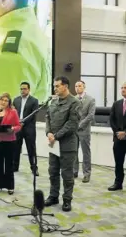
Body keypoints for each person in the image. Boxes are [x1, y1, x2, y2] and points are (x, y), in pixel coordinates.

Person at [44, 76, 81, 212]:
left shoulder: (74, 102)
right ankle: (53, 196)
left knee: (67, 174)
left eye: (57, 86)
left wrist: (56, 136)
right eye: (54, 86)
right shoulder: (53, 101)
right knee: (52, 171)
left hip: (67, 144)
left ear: (65, 86)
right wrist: (48, 132)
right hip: (53, 144)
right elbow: (47, 117)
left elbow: (72, 124)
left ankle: (67, 200)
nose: (55, 88)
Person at [13, 81, 39, 176]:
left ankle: (34, 168)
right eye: (21, 89)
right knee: (16, 148)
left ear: (29, 89)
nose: (22, 91)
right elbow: (13, 113)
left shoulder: (34, 100)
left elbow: (33, 115)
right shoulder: (16, 100)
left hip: (29, 129)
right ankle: (15, 167)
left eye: (24, 89)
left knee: (31, 149)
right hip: (17, 128)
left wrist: (23, 122)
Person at [73, 80, 96, 183]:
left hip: (84, 130)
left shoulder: (91, 99)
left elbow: (90, 115)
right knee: (74, 151)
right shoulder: (73, 99)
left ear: (84, 87)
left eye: (80, 86)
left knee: (85, 152)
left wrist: (80, 124)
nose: (78, 88)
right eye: (76, 86)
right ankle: (74, 171)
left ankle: (87, 173)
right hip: (73, 130)